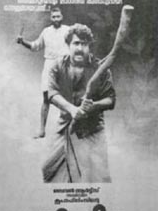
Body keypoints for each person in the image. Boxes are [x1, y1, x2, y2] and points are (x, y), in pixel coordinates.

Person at [42, 24, 115, 183]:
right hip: (66, 125)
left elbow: (111, 99)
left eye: (84, 44)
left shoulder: (101, 68)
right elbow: (51, 93)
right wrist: (72, 109)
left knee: (97, 177)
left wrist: (94, 106)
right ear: (68, 45)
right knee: (49, 171)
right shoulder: (58, 65)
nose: (80, 48)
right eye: (76, 43)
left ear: (89, 46)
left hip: (93, 128)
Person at [17, 6, 71, 139]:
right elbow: (35, 46)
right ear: (50, 18)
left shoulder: (68, 30)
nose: (56, 19)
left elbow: (77, 42)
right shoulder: (46, 32)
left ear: (62, 17)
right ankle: (42, 130)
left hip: (64, 65)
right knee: (46, 97)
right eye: (53, 17)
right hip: (49, 65)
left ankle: (65, 130)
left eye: (58, 16)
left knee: (65, 97)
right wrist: (22, 42)